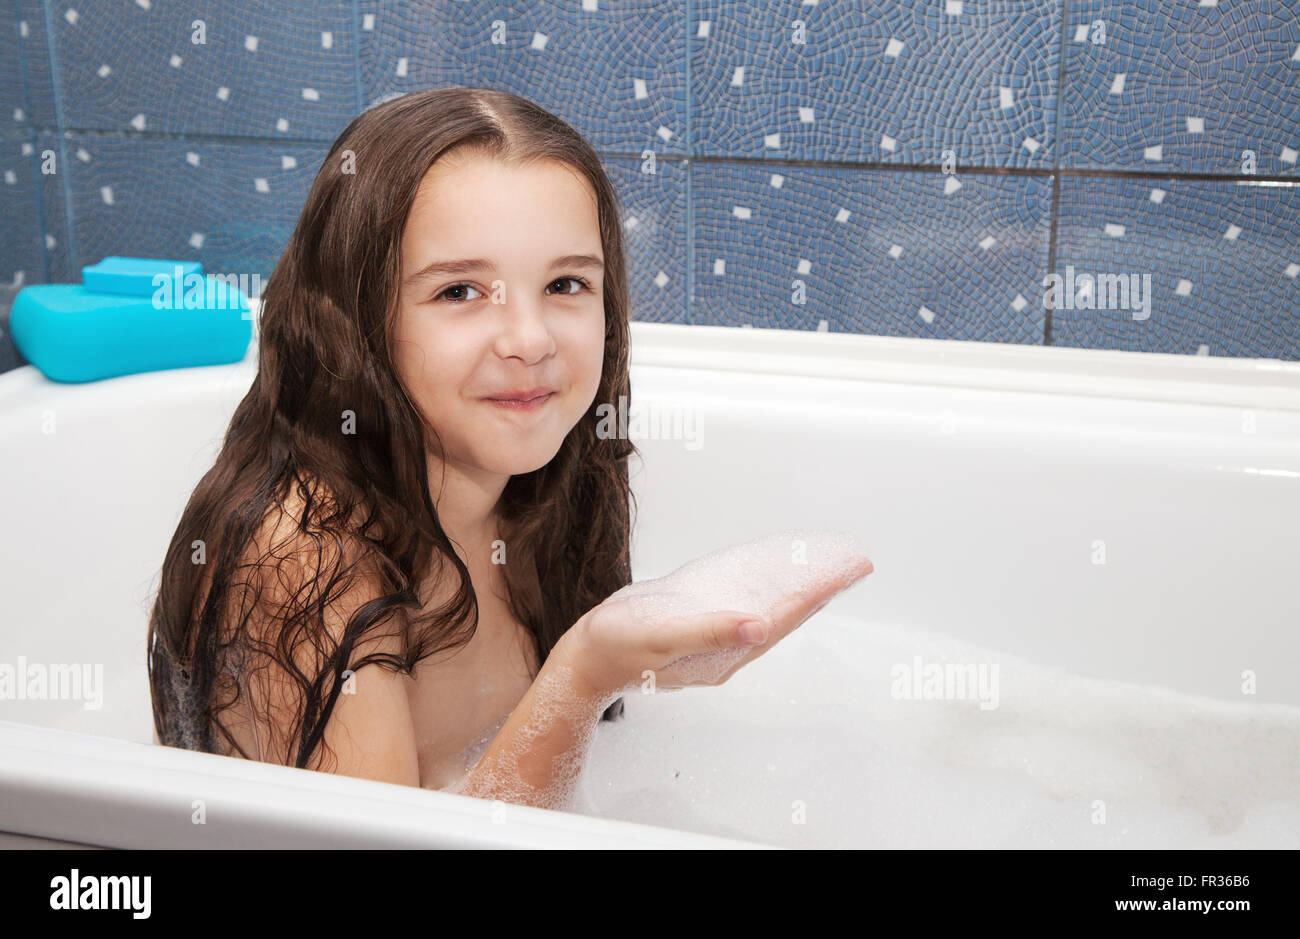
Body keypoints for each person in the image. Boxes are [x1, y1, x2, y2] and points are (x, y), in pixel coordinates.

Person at [146, 86, 868, 811]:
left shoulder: (544, 484)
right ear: (359, 323)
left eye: (565, 283)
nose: (530, 339)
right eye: (459, 291)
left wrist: (633, 668)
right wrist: (585, 671)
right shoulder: (305, 552)